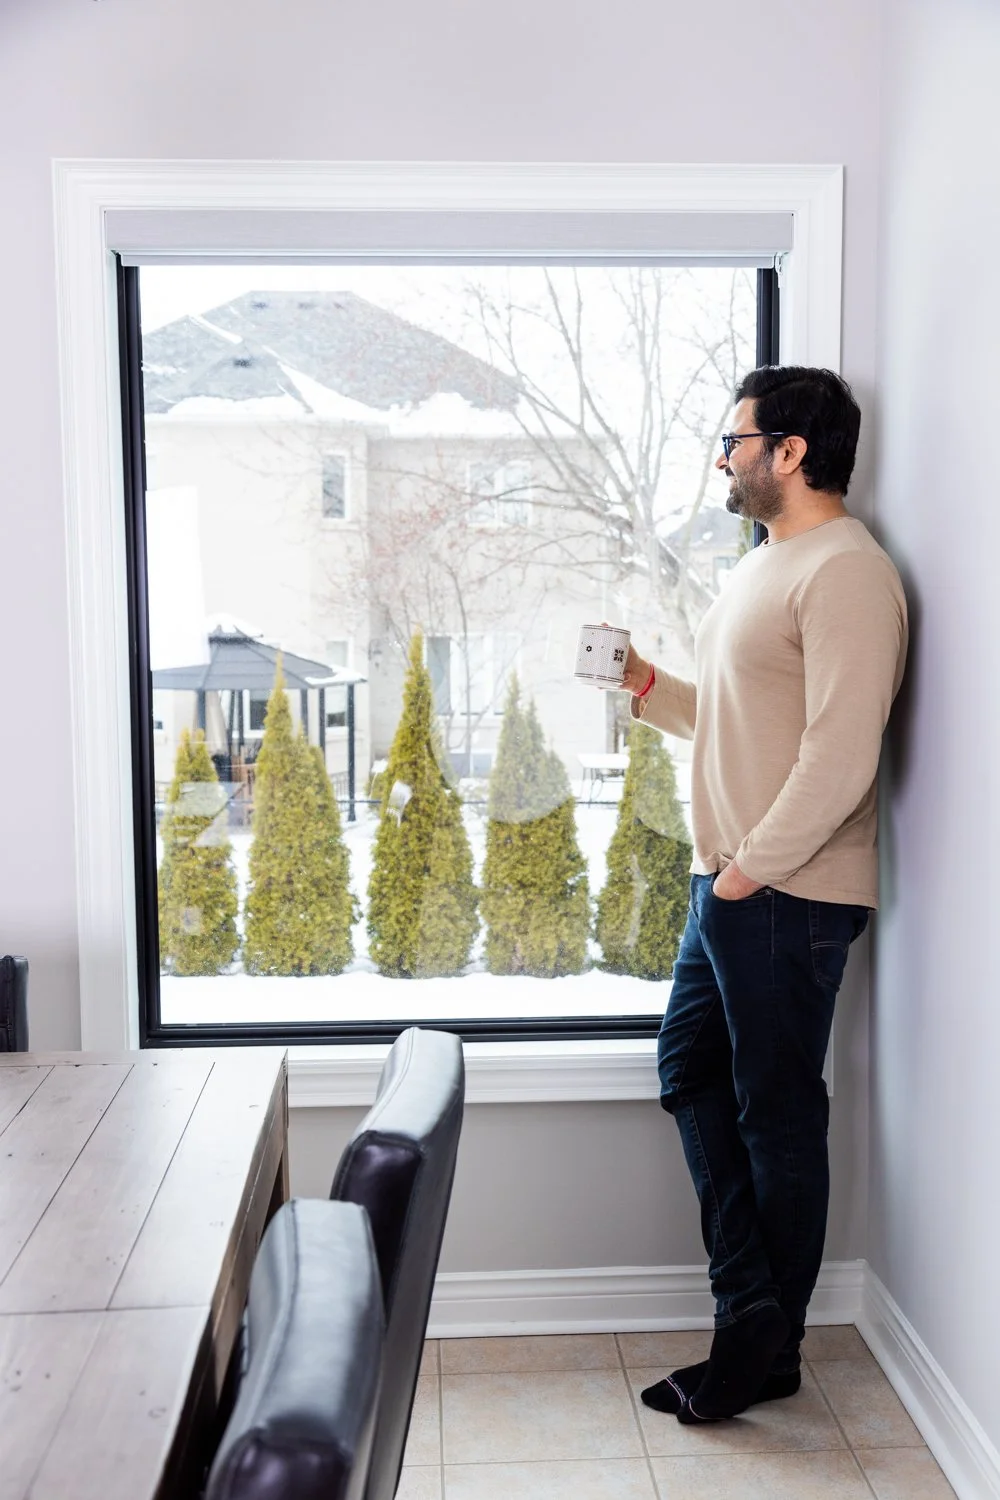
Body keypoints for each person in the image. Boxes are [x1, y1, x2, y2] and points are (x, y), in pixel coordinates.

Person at [619, 366, 908, 1424]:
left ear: (791, 451)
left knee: (777, 1117)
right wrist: (650, 690)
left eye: (734, 439)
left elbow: (839, 754)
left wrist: (747, 874)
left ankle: (755, 1347)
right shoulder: (767, 568)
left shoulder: (845, 573)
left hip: (779, 891)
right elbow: (748, 722)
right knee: (692, 1075)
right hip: (734, 887)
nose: (723, 456)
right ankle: (756, 1318)